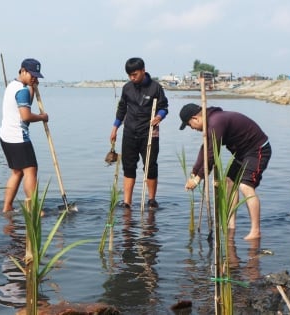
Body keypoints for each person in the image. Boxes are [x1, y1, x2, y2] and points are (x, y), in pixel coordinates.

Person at [179, 103, 272, 240]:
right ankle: (230, 223)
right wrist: (194, 172)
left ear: (195, 118)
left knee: (245, 186)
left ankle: (255, 231)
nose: (192, 129)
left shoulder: (216, 122)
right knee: (229, 182)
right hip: (242, 153)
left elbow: (212, 153)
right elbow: (205, 149)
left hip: (257, 150)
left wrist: (198, 178)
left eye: (189, 125)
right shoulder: (212, 121)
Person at [110, 57, 169, 209]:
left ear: (143, 70)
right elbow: (122, 108)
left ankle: (151, 199)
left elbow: (164, 107)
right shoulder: (127, 88)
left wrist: (159, 117)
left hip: (149, 132)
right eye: (129, 75)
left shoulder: (155, 88)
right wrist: (115, 128)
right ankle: (127, 202)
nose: (132, 77)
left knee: (150, 166)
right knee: (128, 166)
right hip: (129, 131)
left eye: (135, 74)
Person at [0, 58, 48, 212]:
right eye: (32, 75)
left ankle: (7, 207)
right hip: (18, 137)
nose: (34, 78)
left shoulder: (13, 86)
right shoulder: (22, 90)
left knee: (17, 172)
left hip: (5, 136)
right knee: (31, 170)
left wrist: (32, 87)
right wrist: (42, 117)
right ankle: (34, 209)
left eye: (36, 76)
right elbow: (26, 116)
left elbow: (27, 103)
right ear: (23, 71)